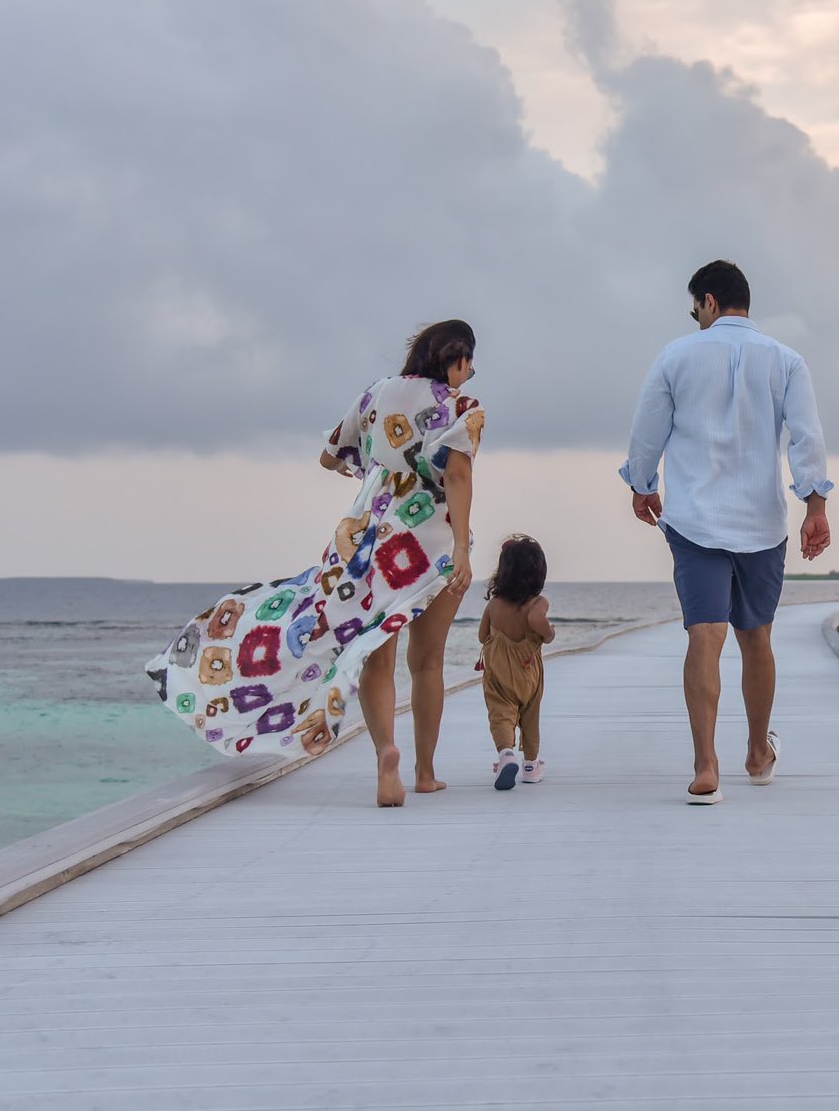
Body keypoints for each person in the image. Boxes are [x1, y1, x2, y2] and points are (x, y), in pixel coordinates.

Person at [146, 320, 484, 808]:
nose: (468, 377)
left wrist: (372, 470)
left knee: (374, 656)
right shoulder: (461, 408)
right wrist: (462, 550)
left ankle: (384, 753)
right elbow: (457, 474)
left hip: (366, 542)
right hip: (429, 545)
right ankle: (426, 773)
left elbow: (330, 455)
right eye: (469, 367)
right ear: (457, 360)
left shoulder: (376, 394)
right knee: (427, 661)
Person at [620, 260, 833, 804]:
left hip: (693, 520)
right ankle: (759, 753)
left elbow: (648, 432)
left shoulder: (675, 356)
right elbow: (806, 437)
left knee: (704, 636)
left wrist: (642, 485)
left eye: (696, 307)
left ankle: (705, 766)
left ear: (710, 301)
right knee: (756, 637)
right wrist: (814, 505)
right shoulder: (786, 361)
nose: (695, 317)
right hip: (762, 521)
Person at [477, 534, 556, 791]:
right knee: (530, 714)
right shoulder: (538, 603)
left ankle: (506, 754)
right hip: (528, 670)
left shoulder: (495, 605)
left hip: (498, 672)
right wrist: (548, 633)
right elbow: (536, 619)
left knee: (501, 714)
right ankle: (531, 766)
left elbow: (482, 636)